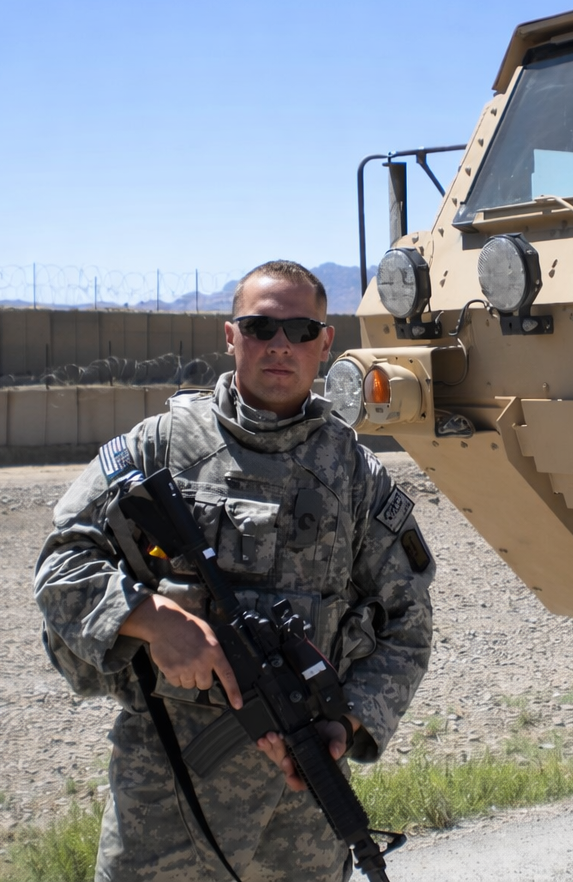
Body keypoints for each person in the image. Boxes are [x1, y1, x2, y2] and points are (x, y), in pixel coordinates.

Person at [35, 260, 435, 882]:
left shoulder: (354, 473)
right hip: (168, 784)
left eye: (302, 330)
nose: (281, 345)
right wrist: (154, 620)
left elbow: (407, 626)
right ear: (231, 336)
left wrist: (346, 720)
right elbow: (62, 564)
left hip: (302, 794)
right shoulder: (160, 445)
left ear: (327, 343)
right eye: (261, 327)